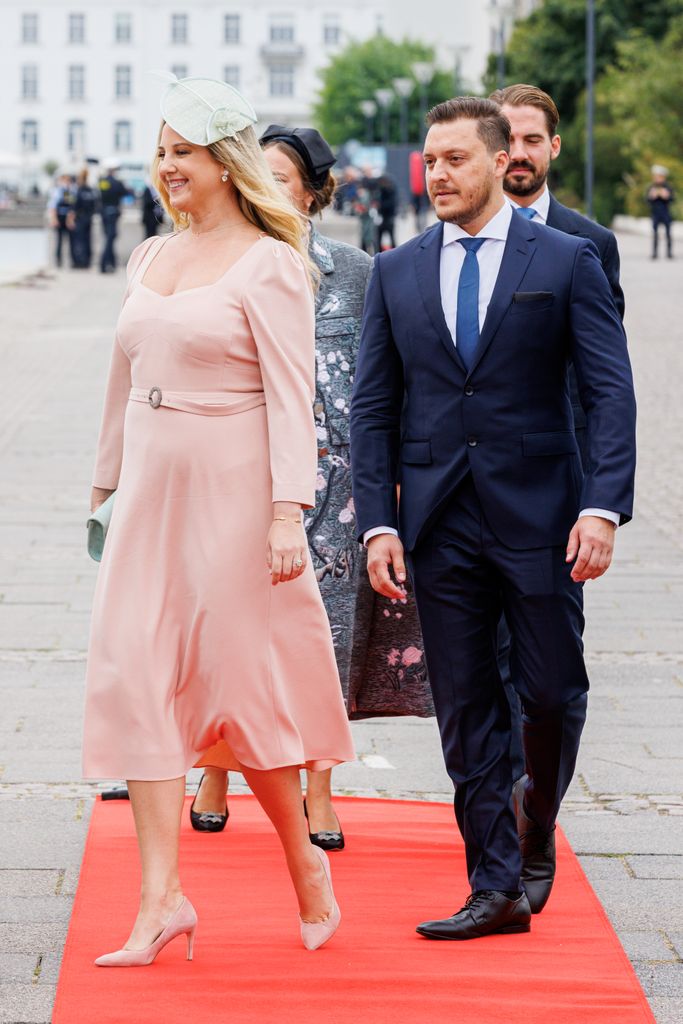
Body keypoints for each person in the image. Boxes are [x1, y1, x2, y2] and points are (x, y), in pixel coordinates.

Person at [83, 75, 355, 965]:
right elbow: (125, 381)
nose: (167, 168)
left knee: (239, 693)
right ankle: (159, 898)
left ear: (226, 164)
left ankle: (305, 871)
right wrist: (103, 486)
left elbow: (291, 400)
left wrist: (288, 513)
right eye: (160, 153)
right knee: (136, 677)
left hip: (235, 495)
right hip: (150, 495)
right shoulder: (148, 258)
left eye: (182, 153)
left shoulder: (270, 262)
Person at [350, 97, 636, 940]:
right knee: (466, 705)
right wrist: (377, 522)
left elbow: (608, 391)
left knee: (549, 691)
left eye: (453, 160)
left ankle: (533, 820)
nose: (437, 175)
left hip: (543, 516)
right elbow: (374, 408)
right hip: (437, 525)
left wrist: (602, 507)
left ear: (495, 158)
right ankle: (494, 884)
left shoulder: (565, 258)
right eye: (428, 162)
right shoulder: (395, 270)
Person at [190, 124, 432, 846]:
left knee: (322, 635)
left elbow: (386, 379)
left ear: (313, 191)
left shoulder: (358, 270)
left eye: (282, 178)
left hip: (338, 484)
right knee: (230, 629)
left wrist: (390, 480)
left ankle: (318, 787)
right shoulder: (221, 263)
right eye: (253, 174)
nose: (265, 188)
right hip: (241, 473)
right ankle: (215, 765)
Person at [489, 83, 628, 779]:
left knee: (545, 666)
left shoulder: (589, 244)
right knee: (480, 662)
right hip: (464, 488)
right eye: (506, 140)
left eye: (530, 140)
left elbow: (602, 381)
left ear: (553, 147)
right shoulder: (446, 240)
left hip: (553, 491)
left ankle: (528, 800)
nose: (517, 154)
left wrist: (596, 500)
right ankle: (495, 806)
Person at [98, 162, 129, 273]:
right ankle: (104, 263)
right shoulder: (117, 183)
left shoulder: (102, 181)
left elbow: (102, 194)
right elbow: (126, 192)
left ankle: (111, 262)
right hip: (113, 213)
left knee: (108, 238)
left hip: (104, 213)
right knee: (110, 238)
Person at [47, 173, 77, 268]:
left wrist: (71, 219)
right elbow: (53, 207)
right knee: (59, 241)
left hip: (67, 218)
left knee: (72, 241)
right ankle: (58, 261)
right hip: (60, 217)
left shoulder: (69, 191)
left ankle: (73, 261)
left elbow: (71, 206)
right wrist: (54, 219)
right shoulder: (58, 192)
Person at [647, 164, 674, 259]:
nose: (657, 178)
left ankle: (669, 253)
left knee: (668, 233)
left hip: (666, 213)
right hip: (655, 213)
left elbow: (672, 199)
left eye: (659, 176)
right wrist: (651, 196)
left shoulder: (668, 187)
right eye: (656, 176)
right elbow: (647, 200)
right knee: (655, 234)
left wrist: (666, 196)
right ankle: (654, 253)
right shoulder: (651, 187)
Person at [72, 168, 98, 268]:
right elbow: (95, 205)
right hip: (89, 218)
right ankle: (87, 261)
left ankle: (80, 262)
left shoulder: (78, 190)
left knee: (79, 241)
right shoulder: (91, 190)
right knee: (87, 240)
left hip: (80, 218)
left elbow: (73, 205)